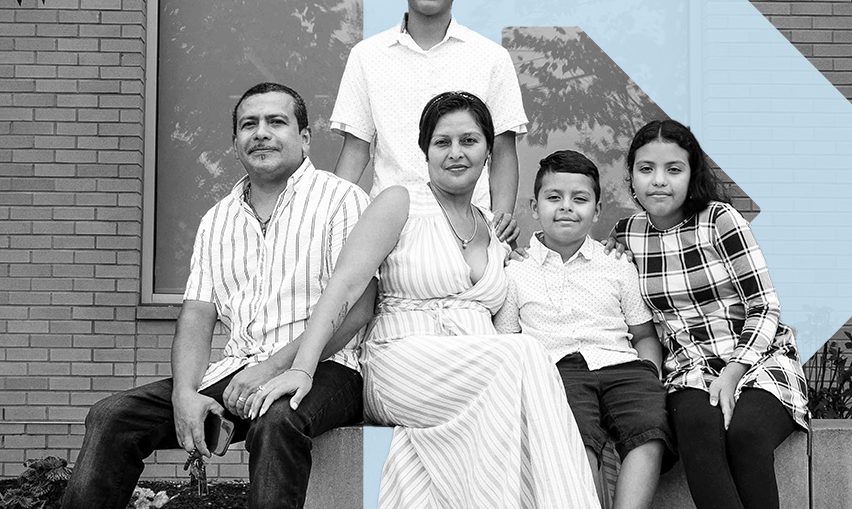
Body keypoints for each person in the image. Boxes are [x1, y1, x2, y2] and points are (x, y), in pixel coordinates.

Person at [254, 92, 600, 508]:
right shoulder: (399, 203)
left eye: (469, 141)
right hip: (401, 362)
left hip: (483, 370)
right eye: (442, 142)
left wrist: (611, 251)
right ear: (425, 151)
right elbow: (344, 287)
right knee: (524, 355)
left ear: (489, 151)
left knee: (519, 378)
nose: (456, 153)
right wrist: (303, 370)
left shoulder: (494, 229)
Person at [61, 83, 375, 509]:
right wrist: (185, 393)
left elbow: (357, 309)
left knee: (276, 421)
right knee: (112, 416)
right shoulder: (217, 219)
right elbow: (196, 315)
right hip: (236, 370)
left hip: (326, 368)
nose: (261, 133)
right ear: (235, 143)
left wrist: (270, 369)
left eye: (276, 122)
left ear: (304, 138)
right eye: (249, 125)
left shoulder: (342, 200)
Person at [613, 119, 809, 509]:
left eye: (673, 169)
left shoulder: (719, 221)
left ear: (691, 174)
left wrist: (734, 372)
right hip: (689, 370)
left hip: (759, 361)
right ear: (632, 175)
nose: (659, 181)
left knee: (746, 436)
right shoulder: (626, 236)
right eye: (646, 168)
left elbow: (764, 305)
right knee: (697, 429)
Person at [493, 150, 673, 509]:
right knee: (574, 438)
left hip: (622, 367)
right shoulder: (515, 271)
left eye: (579, 199)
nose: (566, 208)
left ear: (597, 209)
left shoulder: (617, 263)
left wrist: (649, 376)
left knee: (649, 430)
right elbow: (508, 341)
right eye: (554, 198)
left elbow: (643, 335)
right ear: (534, 207)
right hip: (556, 370)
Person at [330, 0, 527, 243]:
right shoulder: (367, 55)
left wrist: (498, 226)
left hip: (469, 231)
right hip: (389, 232)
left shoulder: (491, 57)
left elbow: (503, 151)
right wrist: (330, 220)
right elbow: (356, 150)